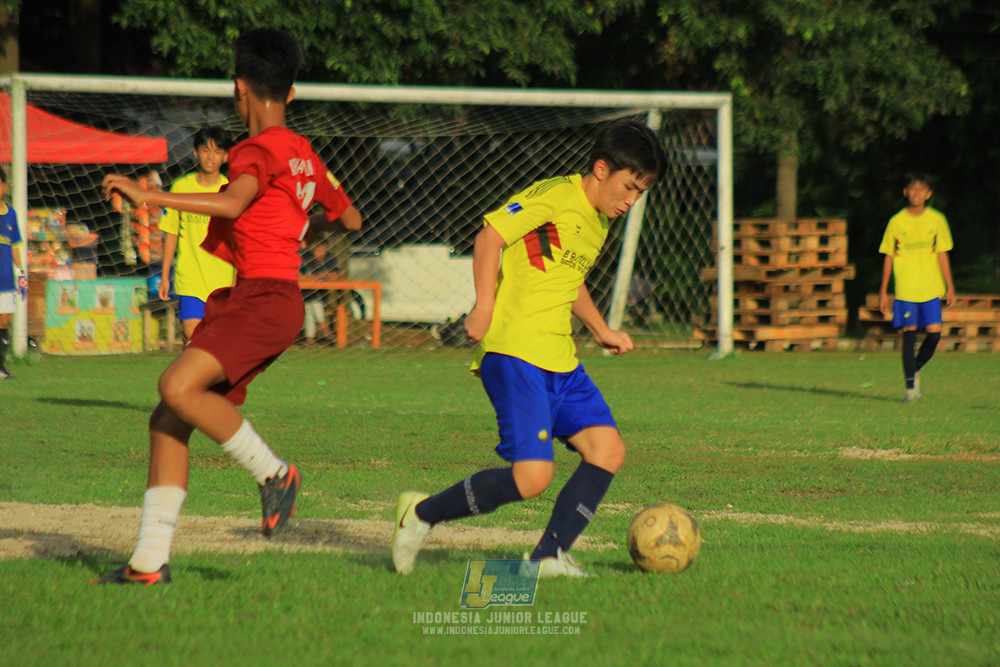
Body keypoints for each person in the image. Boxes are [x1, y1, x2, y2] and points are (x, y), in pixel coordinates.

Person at [94, 27, 362, 585]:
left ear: (240, 88)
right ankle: (148, 562)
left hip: (262, 298)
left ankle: (274, 473)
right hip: (268, 299)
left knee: (175, 385)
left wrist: (149, 195)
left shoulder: (254, 150)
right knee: (168, 420)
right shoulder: (303, 153)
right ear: (290, 92)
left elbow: (234, 202)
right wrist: (304, 220)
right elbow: (351, 218)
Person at [391, 119, 667, 578]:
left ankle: (548, 557)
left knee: (607, 449)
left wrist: (600, 328)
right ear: (602, 169)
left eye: (641, 193)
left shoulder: (598, 221)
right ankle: (421, 514)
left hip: (560, 358)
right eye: (630, 187)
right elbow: (490, 237)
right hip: (516, 352)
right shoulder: (556, 195)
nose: (632, 201)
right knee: (532, 478)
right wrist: (483, 305)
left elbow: (568, 280)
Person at [878, 172, 956, 403]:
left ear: (928, 194)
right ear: (906, 191)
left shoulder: (937, 220)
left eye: (921, 189)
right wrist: (883, 291)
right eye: (912, 188)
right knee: (909, 337)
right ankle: (910, 389)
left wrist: (950, 286)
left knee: (934, 335)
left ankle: (916, 368)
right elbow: (888, 256)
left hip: (931, 288)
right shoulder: (896, 222)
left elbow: (942, 254)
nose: (916, 193)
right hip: (906, 289)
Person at [158, 125, 236, 340]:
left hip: (222, 279)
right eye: (205, 150)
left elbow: (239, 238)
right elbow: (171, 232)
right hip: (189, 277)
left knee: (217, 338)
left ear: (225, 156)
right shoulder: (181, 187)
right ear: (195, 152)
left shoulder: (231, 190)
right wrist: (164, 276)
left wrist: (240, 278)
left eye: (217, 151)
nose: (211, 157)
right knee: (192, 333)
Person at [0, 168, 24, 380]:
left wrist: (22, 272)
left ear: (4, 186)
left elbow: (15, 246)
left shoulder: (11, 214)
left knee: (4, 322)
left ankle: (1, 368)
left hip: (6, 279)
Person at [298, 236, 340, 345]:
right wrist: (314, 278)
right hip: (305, 292)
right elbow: (299, 275)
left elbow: (337, 273)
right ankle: (324, 328)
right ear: (312, 249)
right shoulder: (305, 258)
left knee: (310, 305)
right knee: (311, 302)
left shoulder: (330, 257)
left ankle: (310, 338)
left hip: (322, 293)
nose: (321, 253)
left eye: (323, 250)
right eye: (318, 250)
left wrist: (328, 275)